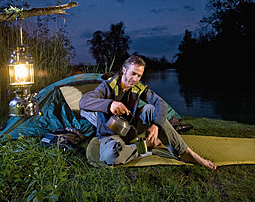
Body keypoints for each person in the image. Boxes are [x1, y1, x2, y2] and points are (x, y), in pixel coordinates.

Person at [79, 55, 217, 170]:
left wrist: (156, 125)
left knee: (151, 109)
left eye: (139, 76)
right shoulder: (106, 87)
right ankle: (144, 146)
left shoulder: (139, 88)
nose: (135, 79)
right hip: (111, 135)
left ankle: (185, 152)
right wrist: (109, 104)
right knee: (111, 156)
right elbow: (84, 101)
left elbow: (160, 103)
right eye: (133, 74)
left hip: (131, 129)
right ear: (124, 70)